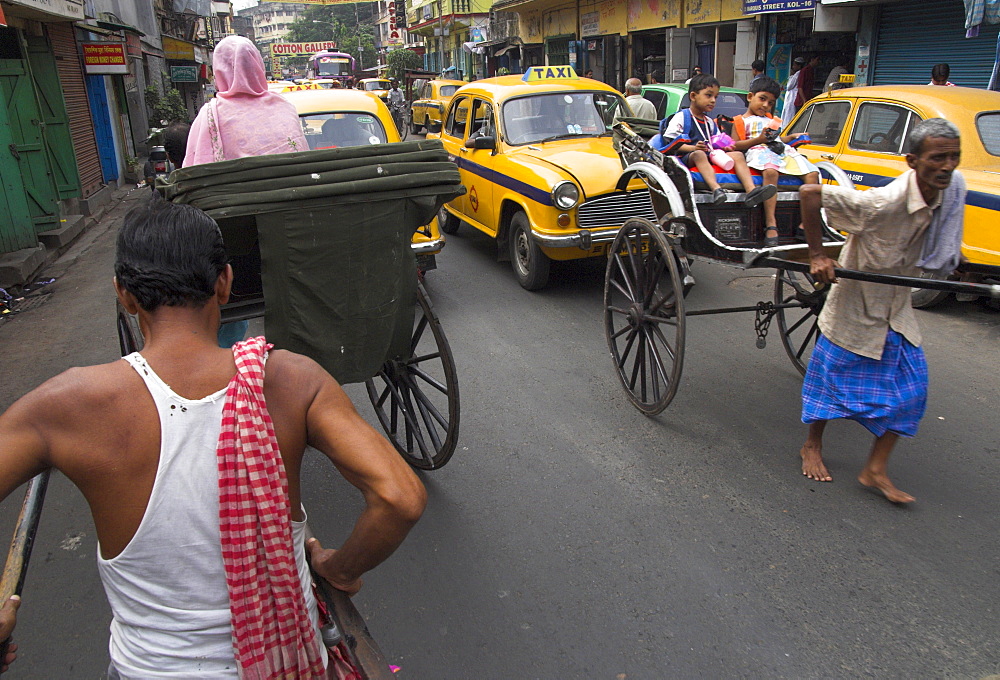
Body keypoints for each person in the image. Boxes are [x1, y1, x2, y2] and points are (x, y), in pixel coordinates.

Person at [0, 197, 427, 676]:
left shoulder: (65, 404)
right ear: (224, 282)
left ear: (124, 293)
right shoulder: (291, 381)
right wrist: (338, 569)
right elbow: (400, 497)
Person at [797, 118, 965, 504]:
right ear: (912, 160)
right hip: (855, 304)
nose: (947, 167)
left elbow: (942, 241)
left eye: (954, 158)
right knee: (828, 386)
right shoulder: (882, 202)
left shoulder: (948, 193)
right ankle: (811, 444)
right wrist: (818, 253)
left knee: (913, 392)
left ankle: (874, 469)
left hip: (895, 308)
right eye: (937, 158)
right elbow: (809, 192)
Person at [655, 73, 776, 207]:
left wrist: (726, 147)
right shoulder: (682, 117)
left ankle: (751, 191)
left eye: (715, 97)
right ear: (693, 96)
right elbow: (670, 143)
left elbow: (717, 140)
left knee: (737, 154)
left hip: (709, 154)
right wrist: (693, 148)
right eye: (709, 95)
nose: (713, 100)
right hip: (686, 156)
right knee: (699, 155)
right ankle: (716, 189)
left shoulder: (709, 122)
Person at [185, 36, 308, 166]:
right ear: (258, 65)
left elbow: (195, 168)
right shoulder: (284, 107)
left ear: (219, 70)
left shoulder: (209, 115)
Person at [731, 76, 820, 246]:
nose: (765, 106)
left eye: (770, 103)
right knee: (771, 172)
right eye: (762, 99)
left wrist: (792, 137)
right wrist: (758, 140)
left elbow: (779, 140)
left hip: (781, 150)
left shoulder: (772, 121)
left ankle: (806, 224)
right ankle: (771, 224)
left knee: (812, 173)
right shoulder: (740, 121)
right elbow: (735, 145)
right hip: (758, 150)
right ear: (750, 97)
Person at [781, 57, 804, 127]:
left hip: (792, 97)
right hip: (790, 97)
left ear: (799, 66)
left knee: (789, 115)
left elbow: (789, 86)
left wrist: (791, 75)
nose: (793, 66)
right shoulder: (797, 73)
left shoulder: (797, 74)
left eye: (794, 65)